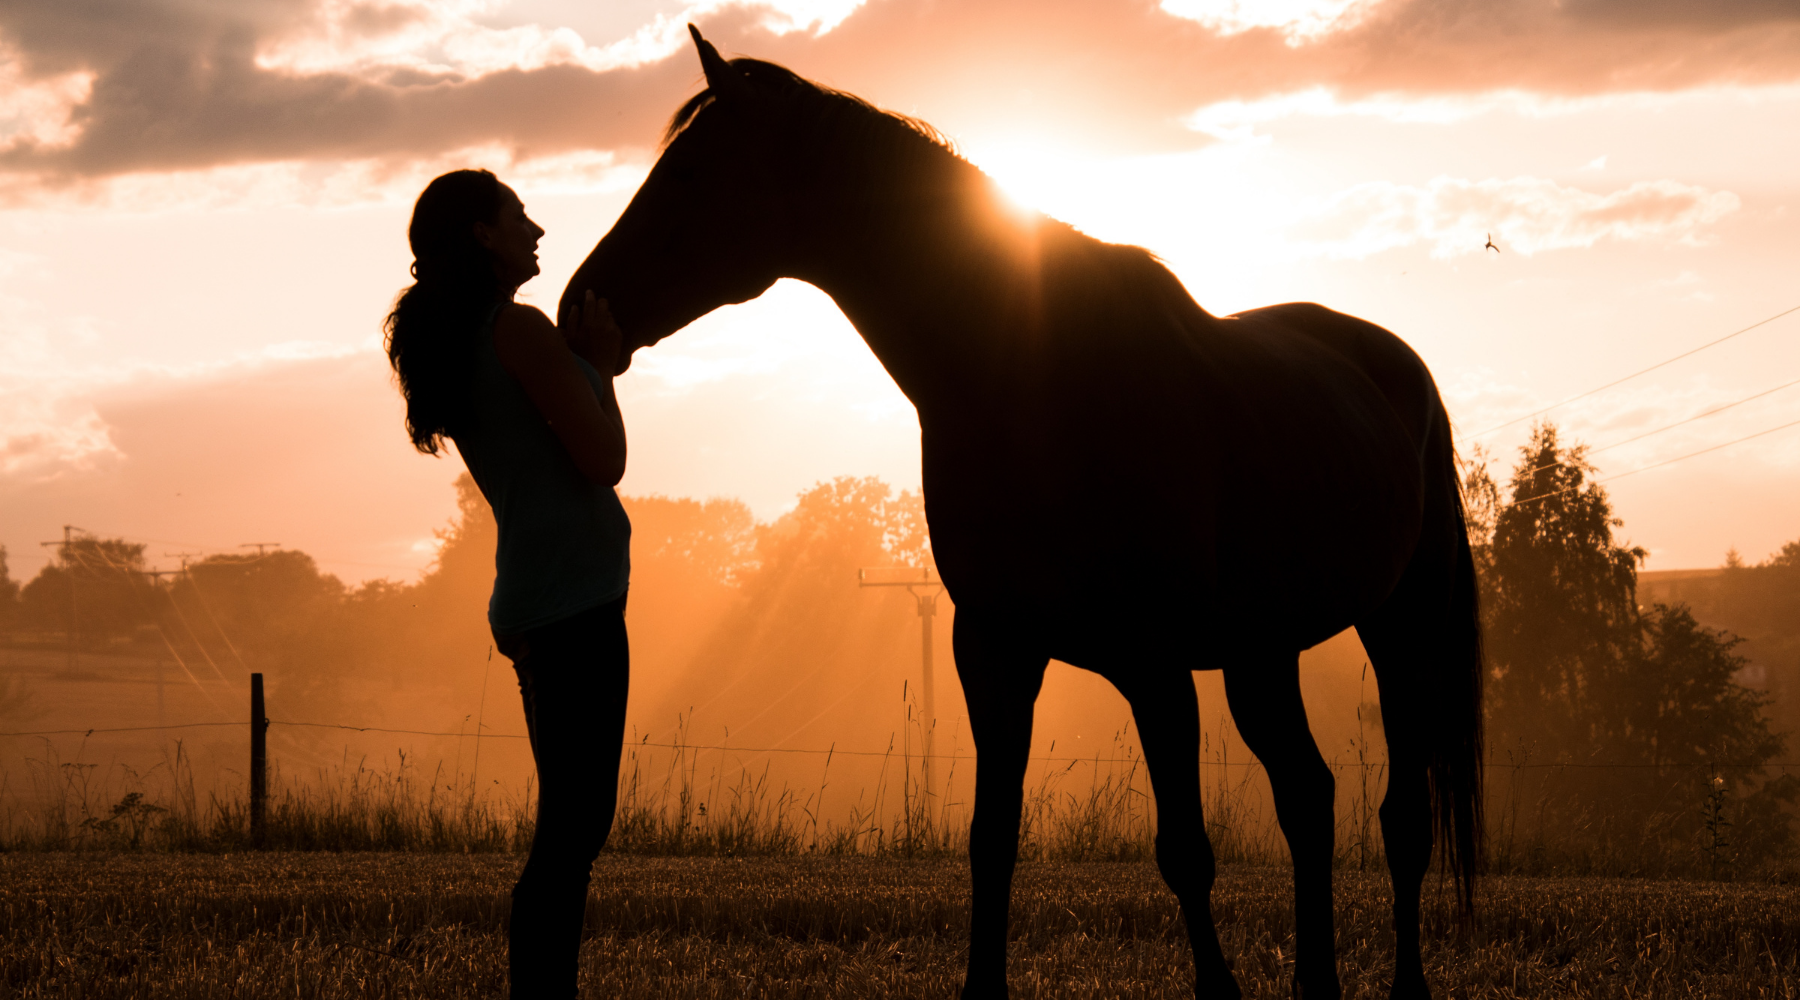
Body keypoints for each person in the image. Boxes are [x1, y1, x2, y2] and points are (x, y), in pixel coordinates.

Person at [384, 168, 630, 999]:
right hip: (571, 605)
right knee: (573, 832)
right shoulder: (519, 331)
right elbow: (603, 460)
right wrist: (603, 367)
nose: (537, 229)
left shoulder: (468, 337)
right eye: (518, 214)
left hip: (544, 599)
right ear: (482, 234)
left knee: (572, 827)